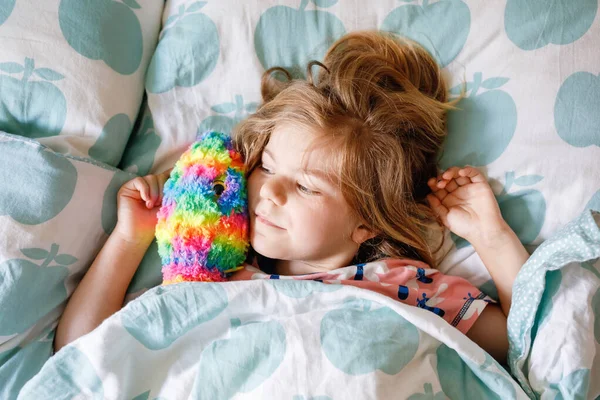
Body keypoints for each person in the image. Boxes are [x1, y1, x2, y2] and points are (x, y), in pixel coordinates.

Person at [54, 31, 530, 364]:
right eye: (267, 166)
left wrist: (492, 237)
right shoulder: (211, 273)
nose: (270, 190)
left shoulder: (399, 286)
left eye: (305, 185)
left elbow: (520, 341)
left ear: (366, 222)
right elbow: (78, 353)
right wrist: (130, 236)